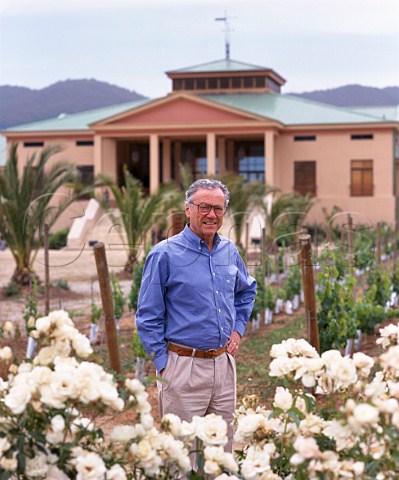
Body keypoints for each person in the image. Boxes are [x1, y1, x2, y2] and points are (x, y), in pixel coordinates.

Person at [136, 178, 256, 452]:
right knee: (183, 456)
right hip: (182, 367)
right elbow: (147, 316)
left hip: (223, 367)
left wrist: (237, 330)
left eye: (218, 208)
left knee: (220, 453)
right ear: (188, 209)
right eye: (204, 207)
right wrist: (165, 365)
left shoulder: (229, 251)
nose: (211, 214)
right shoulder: (164, 254)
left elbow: (246, 292)